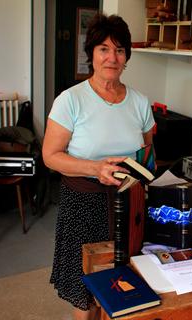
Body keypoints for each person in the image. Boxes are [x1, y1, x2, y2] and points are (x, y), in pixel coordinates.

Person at [42, 13, 155, 320]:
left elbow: (147, 152)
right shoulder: (71, 100)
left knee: (129, 285)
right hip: (84, 204)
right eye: (104, 48)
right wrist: (95, 168)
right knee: (88, 294)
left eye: (119, 50)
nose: (112, 57)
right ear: (91, 53)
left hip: (129, 204)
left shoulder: (140, 102)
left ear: (127, 57)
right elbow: (50, 156)